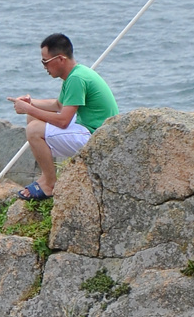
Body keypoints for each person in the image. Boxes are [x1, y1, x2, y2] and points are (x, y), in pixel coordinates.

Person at [10, 35, 119, 200]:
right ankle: (47, 176)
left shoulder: (76, 78)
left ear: (60, 59)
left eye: (45, 61)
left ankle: (50, 185)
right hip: (93, 128)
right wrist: (31, 103)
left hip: (98, 138)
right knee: (32, 119)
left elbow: (63, 121)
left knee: (33, 130)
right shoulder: (76, 73)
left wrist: (28, 108)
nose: (44, 66)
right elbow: (59, 105)